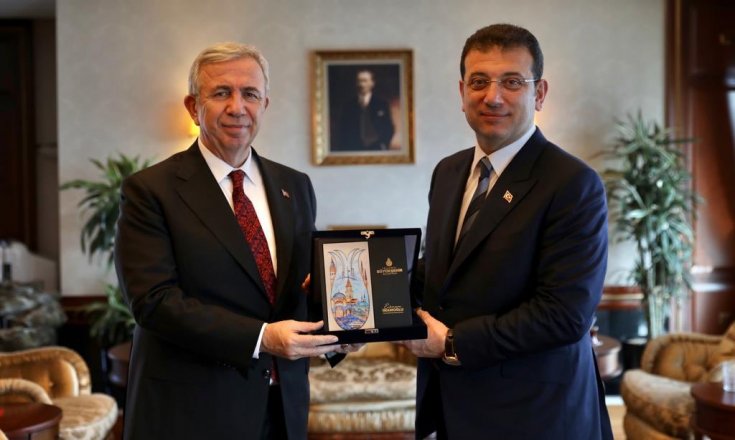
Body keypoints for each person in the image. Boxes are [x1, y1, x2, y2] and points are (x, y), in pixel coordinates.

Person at [114, 42, 356, 440]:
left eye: (250, 94)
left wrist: (340, 334)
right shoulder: (150, 190)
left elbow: (297, 290)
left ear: (265, 105)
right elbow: (153, 302)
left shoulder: (295, 185)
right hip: (193, 412)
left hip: (282, 408)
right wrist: (260, 338)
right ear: (193, 107)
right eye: (221, 92)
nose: (237, 107)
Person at [402, 24, 613, 439]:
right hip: (455, 408)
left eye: (512, 82)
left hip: (537, 416)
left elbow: (564, 314)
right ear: (462, 92)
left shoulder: (572, 183)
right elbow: (445, 274)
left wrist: (453, 343)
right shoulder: (448, 172)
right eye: (479, 81)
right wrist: (367, 294)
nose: (493, 96)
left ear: (540, 94)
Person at [332, 69, 395, 151]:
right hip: (354, 149)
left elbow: (389, 128)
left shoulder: (382, 104)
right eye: (359, 81)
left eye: (364, 81)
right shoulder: (348, 106)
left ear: (372, 83)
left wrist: (383, 144)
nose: (361, 84)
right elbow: (342, 130)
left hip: (376, 148)